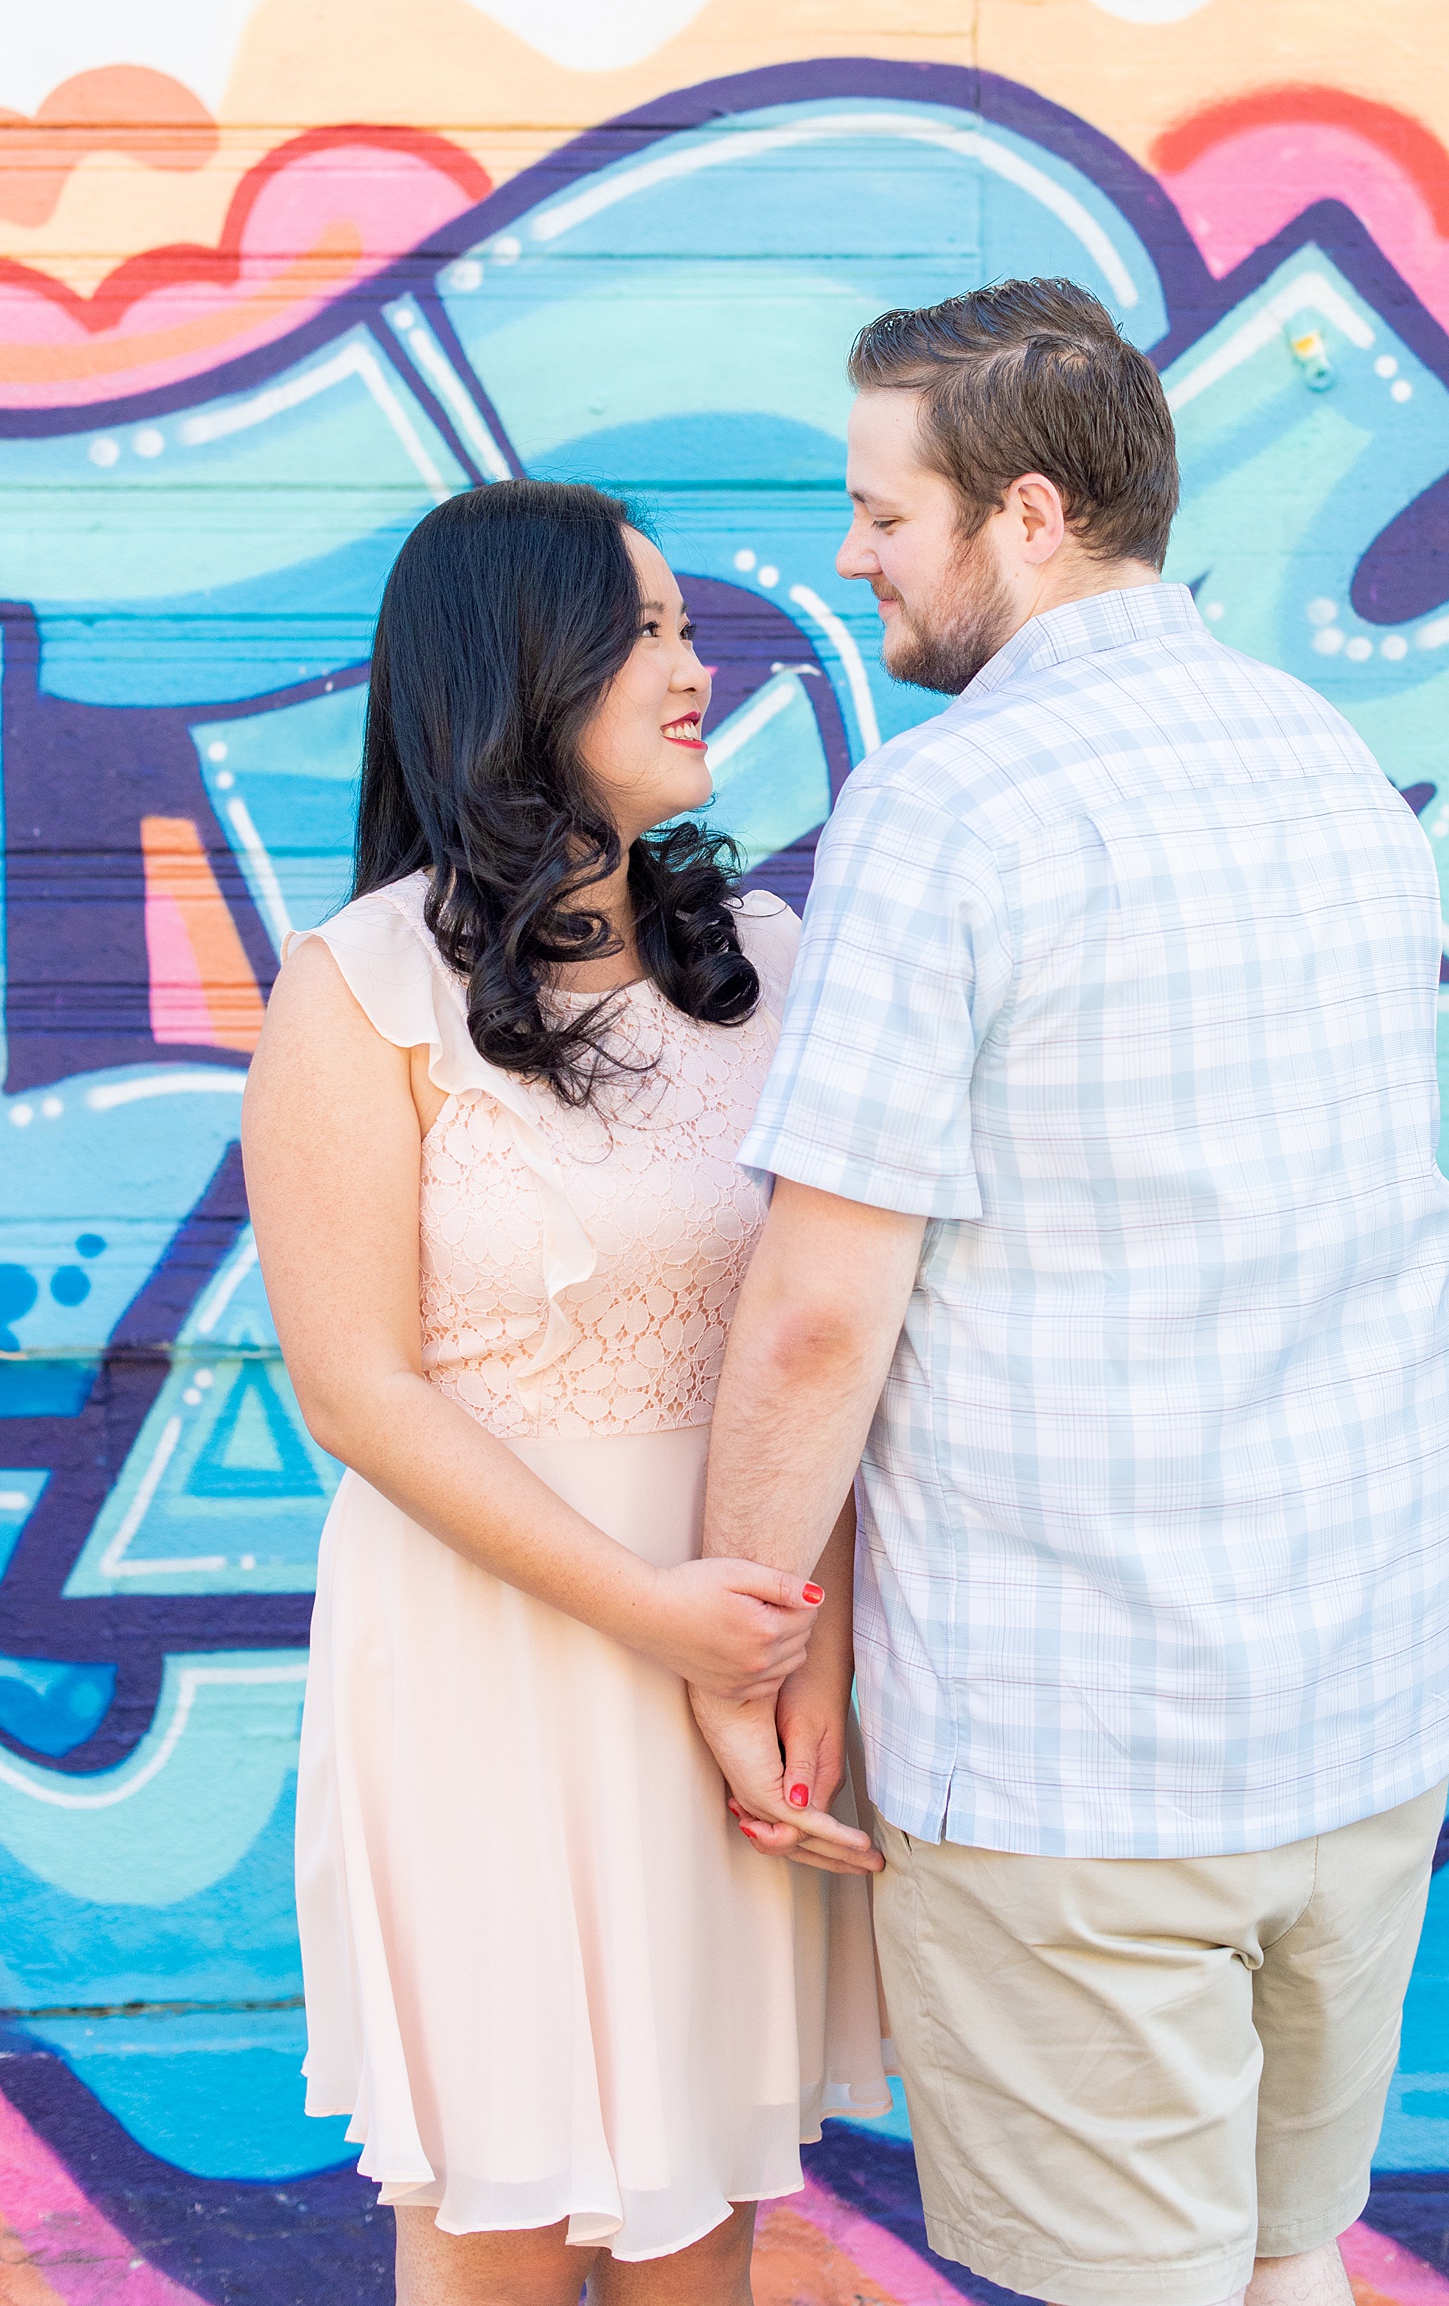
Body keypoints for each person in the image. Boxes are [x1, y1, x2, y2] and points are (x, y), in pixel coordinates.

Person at [689, 279, 1449, 2306]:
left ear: (1025, 513)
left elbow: (817, 1311)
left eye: (881, 508)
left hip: (1077, 1754)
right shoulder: (1325, 761)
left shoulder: (948, 808)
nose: (847, 553)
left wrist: (740, 1635)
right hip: (1356, 1714)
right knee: (1286, 2259)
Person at [242, 480, 888, 2306]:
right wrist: (662, 1621)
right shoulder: (359, 991)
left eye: (692, 629)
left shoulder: (764, 964)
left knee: (703, 2218)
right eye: (653, 631)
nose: (701, 668)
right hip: (491, 1660)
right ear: (526, 670)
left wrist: (791, 1664)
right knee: (496, 2224)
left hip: (740, 1655)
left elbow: (831, 1333)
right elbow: (357, 1391)